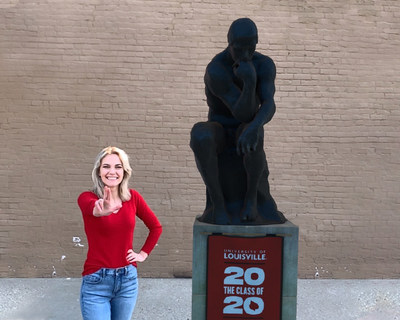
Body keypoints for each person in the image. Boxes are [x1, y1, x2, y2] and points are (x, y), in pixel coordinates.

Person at [190, 18, 286, 225]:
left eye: (250, 49)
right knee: (200, 133)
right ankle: (218, 205)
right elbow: (242, 112)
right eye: (239, 49)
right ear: (230, 44)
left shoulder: (264, 64)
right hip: (221, 130)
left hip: (247, 127)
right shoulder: (217, 69)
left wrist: (255, 125)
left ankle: (251, 200)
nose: (245, 55)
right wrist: (250, 83)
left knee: (253, 132)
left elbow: (269, 104)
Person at [77, 146, 162, 320]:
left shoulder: (133, 197)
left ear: (124, 171)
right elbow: (93, 209)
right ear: (99, 171)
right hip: (96, 281)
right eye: (106, 166)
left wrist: (143, 254)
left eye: (118, 166)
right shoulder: (87, 197)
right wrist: (103, 210)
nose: (112, 171)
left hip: (127, 280)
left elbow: (156, 227)